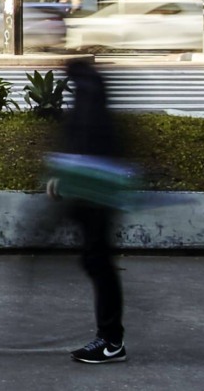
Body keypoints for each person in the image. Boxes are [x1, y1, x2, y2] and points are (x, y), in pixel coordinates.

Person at [52, 57, 129, 365]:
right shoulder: (94, 100)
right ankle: (110, 337)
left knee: (99, 263)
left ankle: (111, 341)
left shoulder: (89, 105)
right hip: (92, 196)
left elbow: (86, 147)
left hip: (95, 196)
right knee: (97, 262)